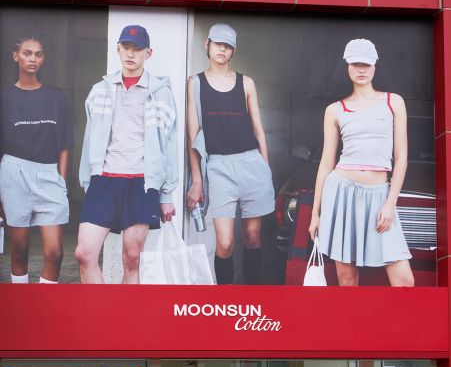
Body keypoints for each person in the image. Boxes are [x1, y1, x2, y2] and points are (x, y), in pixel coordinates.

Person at [75, 24, 179, 284]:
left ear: (148, 53)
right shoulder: (100, 90)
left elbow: (169, 145)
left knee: (132, 258)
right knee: (84, 254)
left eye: (137, 49)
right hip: (104, 180)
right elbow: (89, 139)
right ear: (118, 49)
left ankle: (124, 311)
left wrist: (166, 194)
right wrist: (88, 181)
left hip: (141, 183)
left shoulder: (161, 94)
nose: (130, 54)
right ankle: (101, 309)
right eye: (126, 48)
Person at [308, 38, 414, 287]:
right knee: (347, 278)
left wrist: (390, 203)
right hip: (341, 193)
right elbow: (326, 164)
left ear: (375, 66)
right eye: (356, 64)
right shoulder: (335, 109)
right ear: (347, 67)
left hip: (379, 195)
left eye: (366, 64)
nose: (361, 69)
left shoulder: (393, 102)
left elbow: (401, 158)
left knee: (404, 281)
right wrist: (315, 214)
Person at [185, 23, 274, 285]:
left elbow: (258, 130)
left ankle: (252, 297)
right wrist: (197, 180)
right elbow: (193, 135)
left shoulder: (246, 83)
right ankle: (225, 299)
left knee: (252, 237)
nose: (222, 49)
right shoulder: (195, 83)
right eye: (217, 44)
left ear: (233, 50)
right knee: (224, 243)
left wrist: (265, 169)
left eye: (227, 46)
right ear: (207, 45)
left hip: (251, 164)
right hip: (218, 168)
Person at [0, 36, 73, 283]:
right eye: (27, 53)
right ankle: (23, 304)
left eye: (38, 54)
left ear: (43, 59)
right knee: (19, 252)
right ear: (16, 56)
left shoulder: (56, 98)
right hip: (13, 174)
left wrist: (61, 182)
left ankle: (45, 304)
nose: (33, 58)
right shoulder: (5, 98)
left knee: (55, 253)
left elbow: (64, 145)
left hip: (49, 175)